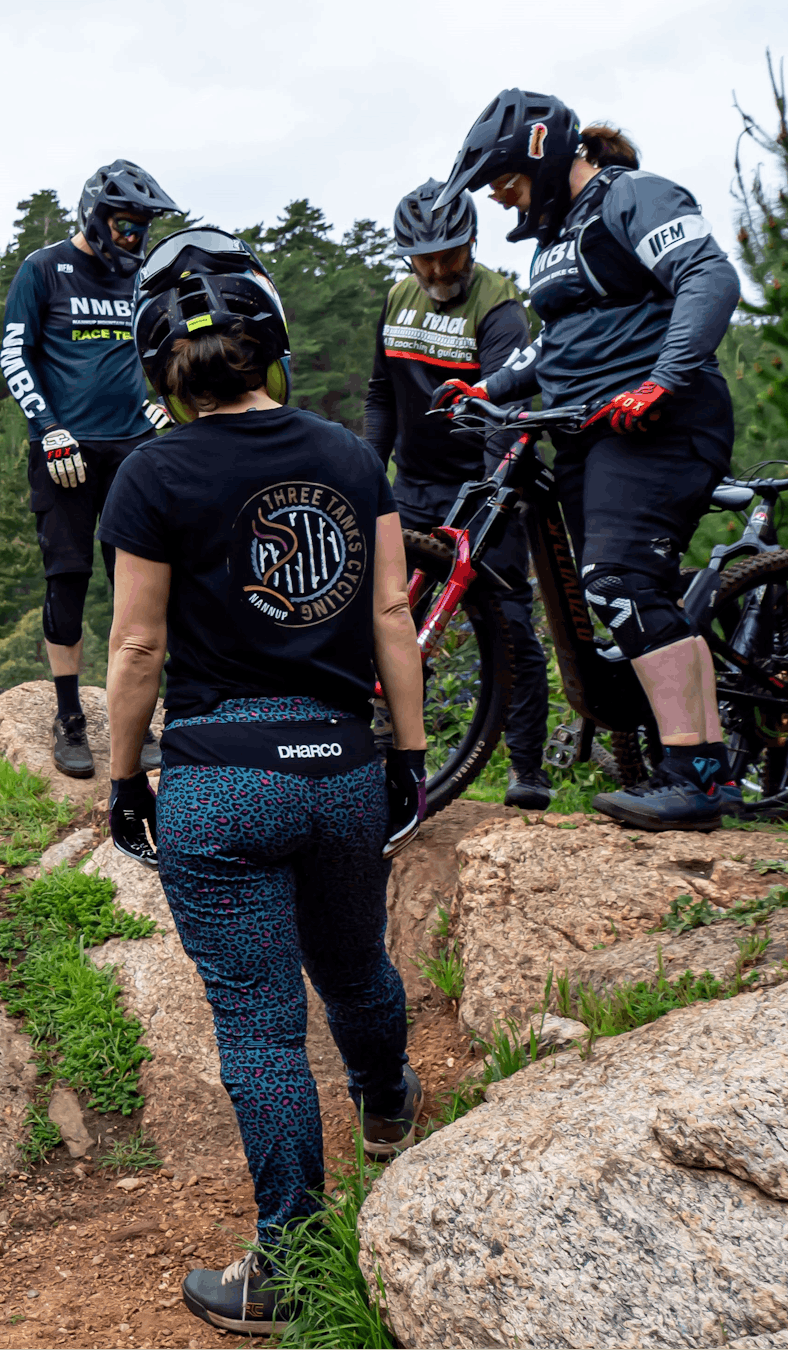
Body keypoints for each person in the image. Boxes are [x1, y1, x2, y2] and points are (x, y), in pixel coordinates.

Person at [100, 227, 429, 1335]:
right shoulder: (344, 455)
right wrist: (410, 754)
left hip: (219, 778)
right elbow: (391, 613)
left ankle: (288, 1265)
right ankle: (388, 1109)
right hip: (337, 763)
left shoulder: (153, 472)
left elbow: (137, 649)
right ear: (270, 345)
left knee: (258, 1027)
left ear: (163, 372)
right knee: (353, 965)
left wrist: (122, 774)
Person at [431, 91, 743, 830]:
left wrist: (662, 379)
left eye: (502, 180)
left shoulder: (633, 196)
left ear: (539, 157)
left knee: (618, 580)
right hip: (588, 430)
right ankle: (696, 755)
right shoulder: (558, 241)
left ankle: (695, 778)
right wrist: (487, 387)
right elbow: (556, 345)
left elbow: (709, 277)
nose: (498, 197)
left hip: (660, 421)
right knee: (626, 590)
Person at [363, 179, 554, 809]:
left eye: (451, 254)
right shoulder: (396, 297)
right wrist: (370, 470)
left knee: (509, 623)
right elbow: (382, 393)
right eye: (426, 258)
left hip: (486, 479)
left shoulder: (500, 306)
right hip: (414, 485)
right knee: (393, 613)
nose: (440, 268)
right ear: (406, 256)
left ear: (472, 242)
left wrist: (491, 495)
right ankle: (388, 750)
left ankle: (527, 769)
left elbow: (505, 406)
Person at [1, 160, 178, 779]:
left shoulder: (141, 276)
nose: (136, 239)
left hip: (133, 446)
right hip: (64, 449)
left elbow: (160, 347)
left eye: (143, 229)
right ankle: (70, 717)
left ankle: (144, 721)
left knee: (140, 588)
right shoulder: (43, 269)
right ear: (96, 217)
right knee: (67, 583)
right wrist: (48, 428)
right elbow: (13, 354)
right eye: (127, 226)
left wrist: (163, 403)